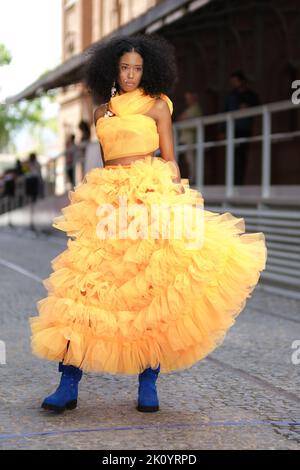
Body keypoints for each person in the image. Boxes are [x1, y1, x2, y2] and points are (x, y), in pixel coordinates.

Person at [29, 34, 267, 415]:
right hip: (107, 201)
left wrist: (175, 204)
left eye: (138, 68)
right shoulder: (100, 112)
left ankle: (148, 384)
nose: (130, 75)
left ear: (148, 70)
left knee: (150, 292)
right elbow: (107, 162)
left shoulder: (158, 106)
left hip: (149, 196)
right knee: (85, 289)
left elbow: (169, 158)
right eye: (124, 67)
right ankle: (67, 383)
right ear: (112, 69)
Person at [222, 71, 260, 185]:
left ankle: (239, 182)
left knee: (241, 156)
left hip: (244, 129)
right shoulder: (231, 95)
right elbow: (225, 112)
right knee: (232, 157)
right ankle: (232, 182)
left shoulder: (251, 95)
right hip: (232, 130)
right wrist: (222, 130)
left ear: (241, 81)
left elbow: (258, 105)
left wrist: (247, 107)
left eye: (235, 81)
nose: (233, 84)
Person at [177, 90, 202, 184]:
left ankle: (194, 180)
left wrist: (183, 118)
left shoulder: (196, 108)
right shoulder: (190, 109)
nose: (187, 100)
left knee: (192, 160)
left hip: (191, 138)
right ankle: (191, 178)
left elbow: (183, 119)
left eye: (188, 98)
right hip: (185, 138)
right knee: (188, 161)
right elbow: (180, 119)